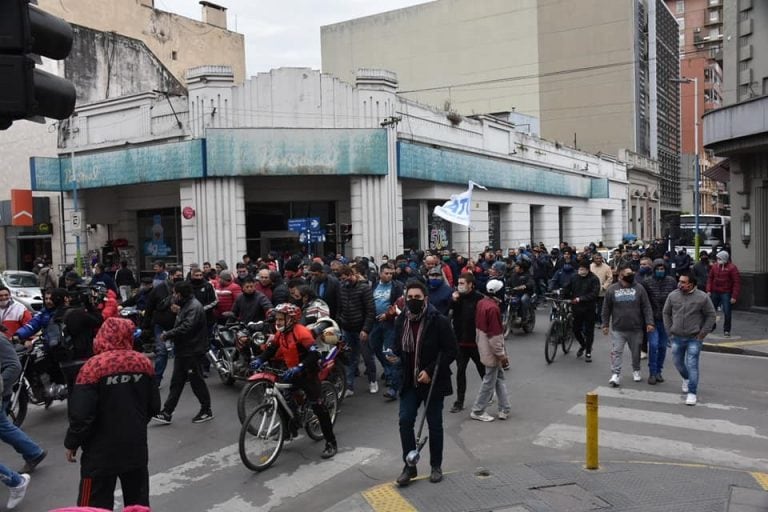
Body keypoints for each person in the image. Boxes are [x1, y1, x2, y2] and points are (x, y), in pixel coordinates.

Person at [65, 317, 160, 510]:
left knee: (92, 506)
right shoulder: (143, 363)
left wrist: (72, 443)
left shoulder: (93, 367)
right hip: (135, 448)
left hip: (99, 453)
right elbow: (154, 406)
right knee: (137, 503)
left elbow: (82, 415)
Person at [388, 280, 457, 486]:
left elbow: (451, 351)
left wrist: (428, 370)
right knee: (405, 421)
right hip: (410, 381)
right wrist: (394, 356)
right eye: (410, 298)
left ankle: (436, 466)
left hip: (433, 381)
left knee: (434, 424)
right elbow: (398, 346)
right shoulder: (402, 321)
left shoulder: (438, 320)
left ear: (425, 299)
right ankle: (409, 466)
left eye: (417, 298)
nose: (413, 301)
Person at [249, 303, 337, 459]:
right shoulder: (280, 333)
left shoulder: (301, 333)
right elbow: (271, 349)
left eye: (281, 318)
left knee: (319, 409)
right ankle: (290, 430)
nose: (278, 321)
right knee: (282, 399)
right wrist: (260, 359)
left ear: (290, 319)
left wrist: (300, 367)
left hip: (308, 374)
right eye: (277, 318)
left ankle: (331, 443)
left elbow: (314, 355)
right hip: (290, 372)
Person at [152, 281, 213, 424]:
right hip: (183, 350)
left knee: (196, 382)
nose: (173, 295)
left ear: (180, 294)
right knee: (176, 382)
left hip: (192, 350)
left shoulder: (194, 306)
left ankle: (206, 410)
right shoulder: (187, 305)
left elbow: (187, 326)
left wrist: (168, 334)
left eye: (175, 293)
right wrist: (178, 312)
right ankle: (167, 412)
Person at [663, 273, 716, 406]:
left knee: (692, 365)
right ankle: (686, 378)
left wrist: (703, 333)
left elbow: (711, 315)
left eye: (682, 282)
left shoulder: (702, 297)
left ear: (691, 284)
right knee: (677, 362)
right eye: (679, 281)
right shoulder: (673, 295)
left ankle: (692, 393)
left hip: (694, 338)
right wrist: (669, 331)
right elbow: (666, 313)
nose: (679, 284)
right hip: (676, 337)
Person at [0, 332, 47, 476]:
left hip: (2, 392)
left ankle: (32, 454)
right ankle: (33, 452)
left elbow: (14, 367)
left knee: (3, 427)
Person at [601, 266, 654, 387]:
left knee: (636, 352)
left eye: (631, 273)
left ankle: (636, 369)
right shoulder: (612, 289)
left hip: (636, 328)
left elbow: (646, 307)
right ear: (620, 275)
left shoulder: (639, 288)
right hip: (618, 328)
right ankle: (615, 374)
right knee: (616, 352)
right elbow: (606, 308)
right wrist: (605, 324)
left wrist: (649, 322)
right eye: (627, 273)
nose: (630, 275)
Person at [469, 279, 511, 422]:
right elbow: (495, 336)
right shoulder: (493, 308)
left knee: (498, 378)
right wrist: (502, 355)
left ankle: (504, 408)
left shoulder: (482, 303)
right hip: (491, 350)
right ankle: (478, 410)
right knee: (489, 381)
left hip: (483, 345)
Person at [448, 273, 485, 413]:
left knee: (482, 370)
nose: (460, 286)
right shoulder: (457, 298)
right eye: (459, 283)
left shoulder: (479, 298)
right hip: (461, 342)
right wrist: (453, 301)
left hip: (475, 342)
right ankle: (460, 401)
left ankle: (487, 395)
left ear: (470, 284)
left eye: (463, 283)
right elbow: (450, 313)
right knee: (460, 372)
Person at [337, 265, 376, 396]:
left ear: (351, 274)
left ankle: (372, 380)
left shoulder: (364, 288)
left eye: (345, 278)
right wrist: (340, 322)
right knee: (349, 357)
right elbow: (340, 307)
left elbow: (370, 310)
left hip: (361, 328)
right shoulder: (342, 288)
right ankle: (349, 385)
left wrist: (365, 329)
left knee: (367, 356)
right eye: (342, 279)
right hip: (347, 328)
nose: (344, 281)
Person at [369, 263, 404, 401]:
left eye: (391, 273)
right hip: (375, 322)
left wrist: (388, 315)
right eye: (386, 273)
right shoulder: (374, 286)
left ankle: (392, 382)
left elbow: (399, 304)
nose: (389, 275)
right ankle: (388, 369)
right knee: (375, 346)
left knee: (389, 351)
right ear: (380, 274)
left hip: (390, 323)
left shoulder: (397, 286)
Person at [142, 268, 182, 386]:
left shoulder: (183, 289)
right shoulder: (158, 290)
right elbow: (149, 308)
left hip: (179, 326)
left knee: (181, 353)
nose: (179, 278)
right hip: (161, 326)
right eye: (177, 275)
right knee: (162, 352)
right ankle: (157, 380)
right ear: (170, 276)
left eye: (180, 275)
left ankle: (183, 377)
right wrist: (146, 325)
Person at [641, 259, 677, 384]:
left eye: (662, 269)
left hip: (666, 320)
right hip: (652, 320)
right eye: (657, 269)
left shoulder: (671, 281)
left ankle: (658, 372)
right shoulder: (647, 282)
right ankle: (652, 372)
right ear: (654, 270)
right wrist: (647, 321)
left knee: (662, 346)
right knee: (654, 345)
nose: (660, 271)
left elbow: (675, 299)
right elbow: (644, 303)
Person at [563, 260, 600, 362]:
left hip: (589, 309)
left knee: (589, 331)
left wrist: (581, 299)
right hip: (577, 309)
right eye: (579, 269)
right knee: (576, 330)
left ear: (587, 270)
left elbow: (594, 294)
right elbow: (567, 287)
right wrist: (561, 293)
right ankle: (583, 345)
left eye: (582, 269)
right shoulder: (574, 277)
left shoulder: (594, 279)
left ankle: (588, 352)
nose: (580, 271)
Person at [706, 250, 740, 337]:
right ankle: (711, 326)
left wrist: (734, 296)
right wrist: (709, 290)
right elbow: (710, 278)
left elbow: (736, 282)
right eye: (717, 258)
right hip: (715, 291)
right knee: (711, 310)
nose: (718, 260)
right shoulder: (715, 267)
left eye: (719, 258)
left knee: (727, 312)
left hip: (726, 292)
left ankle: (727, 330)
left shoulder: (732, 268)